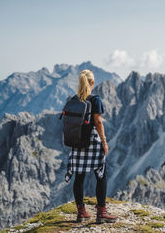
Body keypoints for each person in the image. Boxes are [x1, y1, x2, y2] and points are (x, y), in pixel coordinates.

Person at [66, 69, 117, 223]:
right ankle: (101, 213)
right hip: (93, 142)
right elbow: (98, 122)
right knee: (101, 175)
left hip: (77, 142)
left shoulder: (73, 100)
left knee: (79, 177)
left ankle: (81, 212)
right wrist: (104, 141)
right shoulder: (95, 100)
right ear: (92, 82)